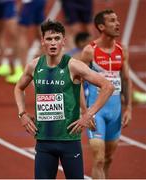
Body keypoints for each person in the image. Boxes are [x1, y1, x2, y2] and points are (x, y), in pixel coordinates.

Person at [14, 20, 114, 179]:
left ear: (63, 41)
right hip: (44, 141)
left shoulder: (74, 66)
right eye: (49, 39)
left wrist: (88, 114)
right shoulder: (34, 66)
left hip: (69, 141)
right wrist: (22, 114)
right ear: (42, 41)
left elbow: (108, 86)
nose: (53, 43)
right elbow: (18, 88)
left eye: (57, 38)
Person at [80, 9, 132, 179]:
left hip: (115, 112)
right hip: (96, 112)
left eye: (117, 20)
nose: (118, 24)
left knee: (108, 158)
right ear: (101, 26)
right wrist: (85, 110)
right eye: (112, 21)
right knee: (99, 159)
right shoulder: (90, 51)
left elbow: (126, 80)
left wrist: (129, 108)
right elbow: (76, 81)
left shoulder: (121, 50)